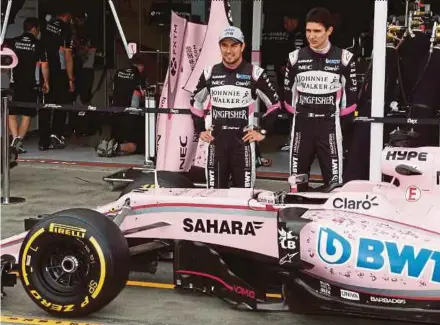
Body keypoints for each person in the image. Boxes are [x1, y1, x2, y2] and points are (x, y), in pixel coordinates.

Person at [190, 26, 281, 189]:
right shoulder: (210, 73)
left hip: (243, 147)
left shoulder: (255, 73)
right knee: (214, 196)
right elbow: (195, 102)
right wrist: (200, 130)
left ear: (242, 46)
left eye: (234, 45)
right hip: (217, 146)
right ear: (219, 47)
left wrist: (263, 132)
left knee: (243, 196)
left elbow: (274, 105)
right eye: (224, 45)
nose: (228, 50)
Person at [283, 7, 357, 186]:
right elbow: (288, 98)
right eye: (308, 30)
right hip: (302, 127)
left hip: (330, 127)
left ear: (329, 30)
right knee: (296, 183)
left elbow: (351, 101)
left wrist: (339, 125)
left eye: (317, 31)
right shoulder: (294, 58)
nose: (311, 36)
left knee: (334, 183)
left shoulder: (345, 58)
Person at [2, 17, 49, 153]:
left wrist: (6, 71)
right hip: (31, 85)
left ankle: (14, 139)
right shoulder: (39, 45)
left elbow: (4, 59)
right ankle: (19, 142)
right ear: (34, 29)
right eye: (38, 29)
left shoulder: (12, 42)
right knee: (26, 114)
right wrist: (46, 82)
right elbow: (44, 65)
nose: (38, 32)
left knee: (12, 113)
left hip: (14, 83)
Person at [96, 53, 147, 157]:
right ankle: (116, 147)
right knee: (136, 145)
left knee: (118, 136)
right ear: (140, 65)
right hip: (130, 114)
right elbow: (140, 94)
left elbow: (112, 89)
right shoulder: (138, 75)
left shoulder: (119, 72)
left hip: (115, 111)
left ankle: (106, 145)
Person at [39, 8, 75, 150]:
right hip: (59, 72)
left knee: (45, 106)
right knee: (61, 104)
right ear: (68, 15)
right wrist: (71, 78)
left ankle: (43, 141)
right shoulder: (66, 29)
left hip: (44, 70)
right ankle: (56, 134)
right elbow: (67, 56)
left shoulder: (45, 24)